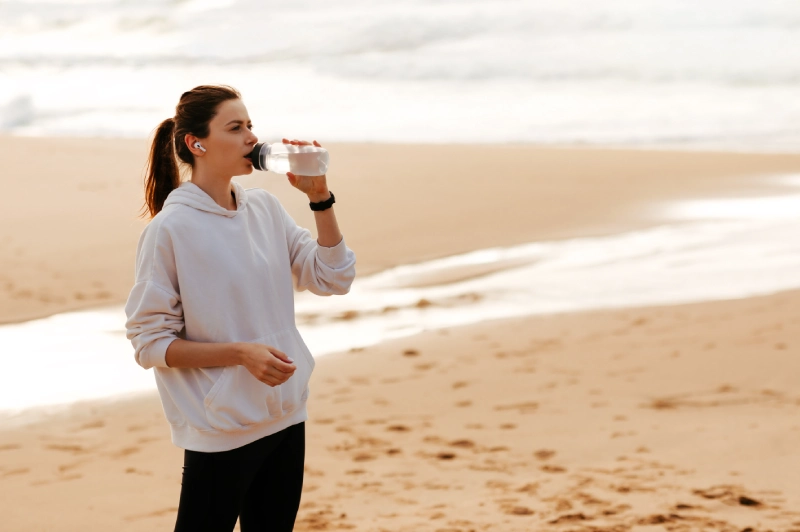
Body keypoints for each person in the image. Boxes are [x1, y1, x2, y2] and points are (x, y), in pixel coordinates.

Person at [124, 85, 356, 532]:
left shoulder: (265, 209)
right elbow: (149, 343)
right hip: (223, 427)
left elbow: (333, 277)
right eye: (236, 127)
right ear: (198, 143)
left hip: (287, 414)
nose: (252, 137)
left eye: (250, 125)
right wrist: (239, 353)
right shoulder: (171, 230)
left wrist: (319, 197)